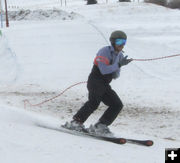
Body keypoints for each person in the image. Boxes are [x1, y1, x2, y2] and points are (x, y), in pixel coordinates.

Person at [64, 30, 133, 135]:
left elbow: (116, 75)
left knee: (117, 104)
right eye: (119, 42)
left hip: (105, 84)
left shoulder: (119, 56)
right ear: (113, 42)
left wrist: (119, 66)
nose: (122, 45)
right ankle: (76, 122)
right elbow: (103, 70)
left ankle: (101, 125)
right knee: (94, 102)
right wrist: (118, 65)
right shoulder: (104, 52)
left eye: (124, 42)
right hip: (95, 81)